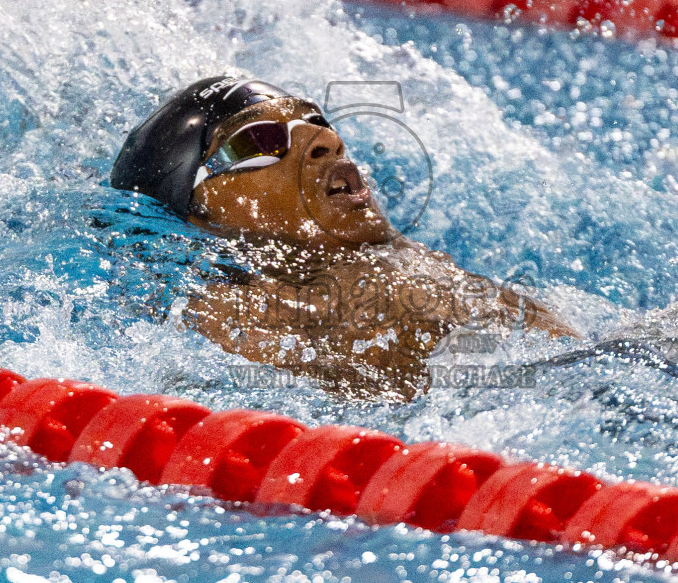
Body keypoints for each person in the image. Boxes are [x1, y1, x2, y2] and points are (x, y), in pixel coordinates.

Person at [111, 76, 575, 399]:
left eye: (318, 124)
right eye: (260, 141)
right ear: (200, 210)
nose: (322, 142)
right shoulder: (223, 316)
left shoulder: (411, 263)